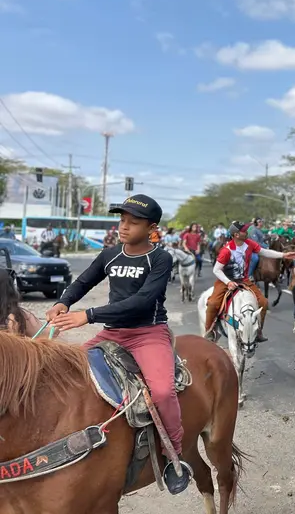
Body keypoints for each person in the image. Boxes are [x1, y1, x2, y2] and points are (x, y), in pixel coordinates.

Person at [44, 195, 194, 494]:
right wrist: (64, 302)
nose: (124, 227)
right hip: (113, 333)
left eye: (133, 222)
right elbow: (83, 281)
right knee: (66, 374)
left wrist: (88, 315)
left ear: (151, 228)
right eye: (122, 220)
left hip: (148, 333)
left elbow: (142, 301)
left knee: (162, 392)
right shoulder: (110, 254)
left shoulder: (160, 259)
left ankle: (174, 455)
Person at [204, 221, 295, 343]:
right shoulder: (226, 250)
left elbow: (263, 251)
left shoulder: (249, 243)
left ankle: (258, 331)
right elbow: (216, 270)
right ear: (236, 234)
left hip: (244, 280)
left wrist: (283, 255)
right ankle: (210, 331)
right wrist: (228, 282)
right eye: (244, 231)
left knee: (263, 302)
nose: (247, 232)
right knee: (213, 303)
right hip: (226, 281)